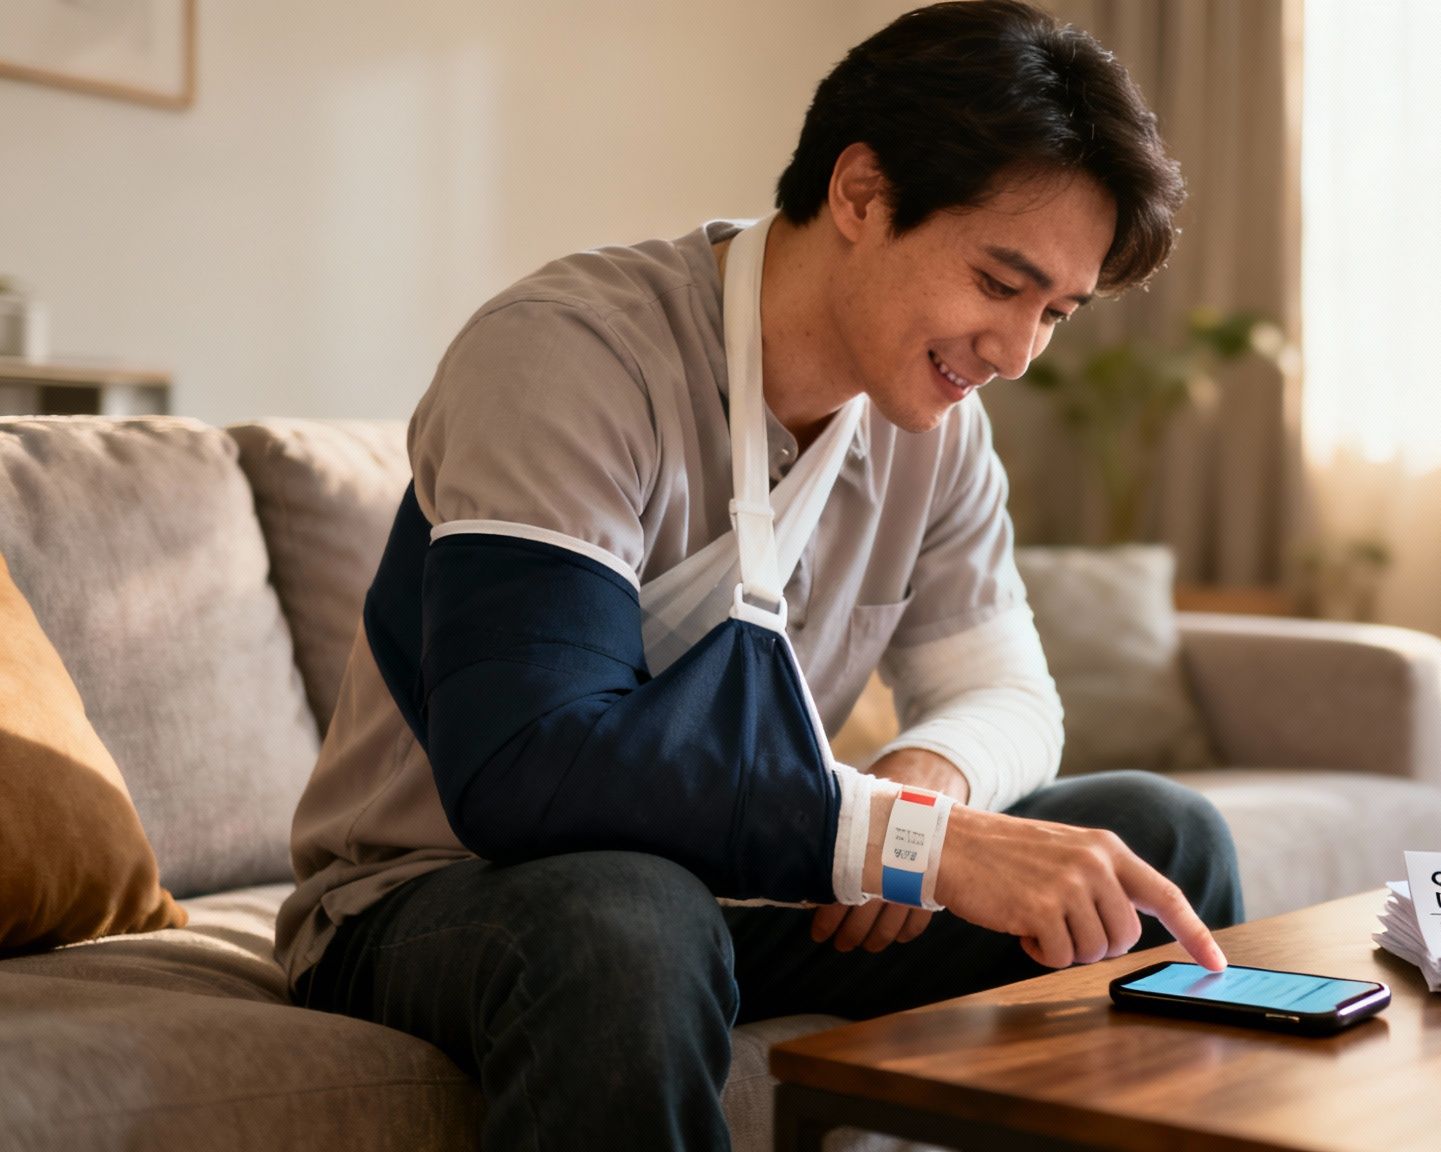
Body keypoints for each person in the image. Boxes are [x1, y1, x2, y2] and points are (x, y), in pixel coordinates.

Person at [277, 2, 1244, 1148]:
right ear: (859, 194)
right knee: (631, 919)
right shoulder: (567, 357)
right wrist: (905, 845)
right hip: (449, 892)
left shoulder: (933, 427)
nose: (1019, 354)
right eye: (998, 283)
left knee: (1154, 842)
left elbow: (1010, 691)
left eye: (1054, 313)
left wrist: (926, 793)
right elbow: (527, 763)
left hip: (748, 889)